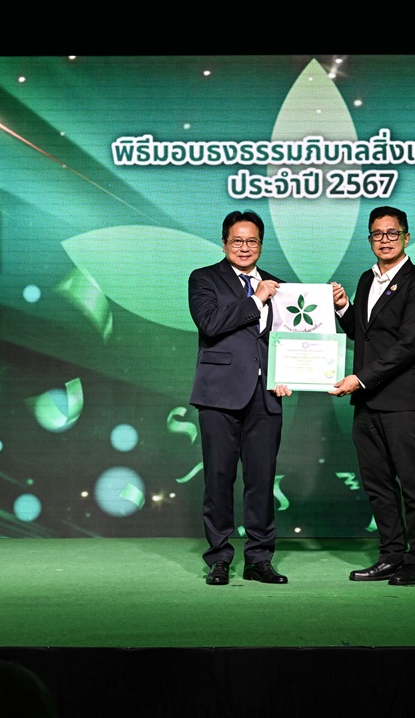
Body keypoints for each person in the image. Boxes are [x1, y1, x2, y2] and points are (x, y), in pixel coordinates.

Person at [330, 206, 415, 586]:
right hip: (368, 403)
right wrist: (343, 307)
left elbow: (408, 345)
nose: (385, 240)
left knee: (413, 484)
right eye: (377, 234)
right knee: (377, 484)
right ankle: (391, 556)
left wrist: (359, 379)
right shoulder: (366, 279)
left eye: (392, 233)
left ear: (407, 237)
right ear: (370, 239)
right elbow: (362, 333)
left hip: (403, 402)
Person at [189, 210, 291, 586]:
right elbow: (210, 324)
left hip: (266, 396)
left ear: (261, 245)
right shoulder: (203, 278)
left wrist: (288, 373)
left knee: (262, 481)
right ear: (224, 244)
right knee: (219, 479)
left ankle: (259, 559)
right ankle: (219, 558)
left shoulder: (279, 286)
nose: (244, 247)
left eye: (252, 241)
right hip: (219, 395)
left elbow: (288, 339)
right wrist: (256, 299)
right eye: (237, 241)